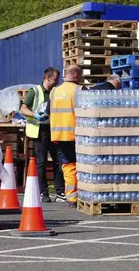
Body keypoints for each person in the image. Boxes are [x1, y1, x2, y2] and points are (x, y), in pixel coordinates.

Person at [20, 67, 65, 203]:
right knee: (42, 162)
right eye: (55, 80)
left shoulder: (56, 92)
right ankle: (43, 192)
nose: (57, 82)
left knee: (58, 161)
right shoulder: (35, 91)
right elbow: (23, 108)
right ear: (47, 78)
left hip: (54, 129)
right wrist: (35, 115)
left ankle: (59, 192)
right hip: (40, 130)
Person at [48, 65, 86, 206]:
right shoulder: (79, 90)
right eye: (80, 74)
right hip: (76, 134)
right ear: (75, 74)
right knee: (80, 166)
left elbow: (48, 112)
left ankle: (71, 197)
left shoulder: (54, 91)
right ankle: (78, 196)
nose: (81, 77)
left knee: (67, 165)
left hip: (59, 134)